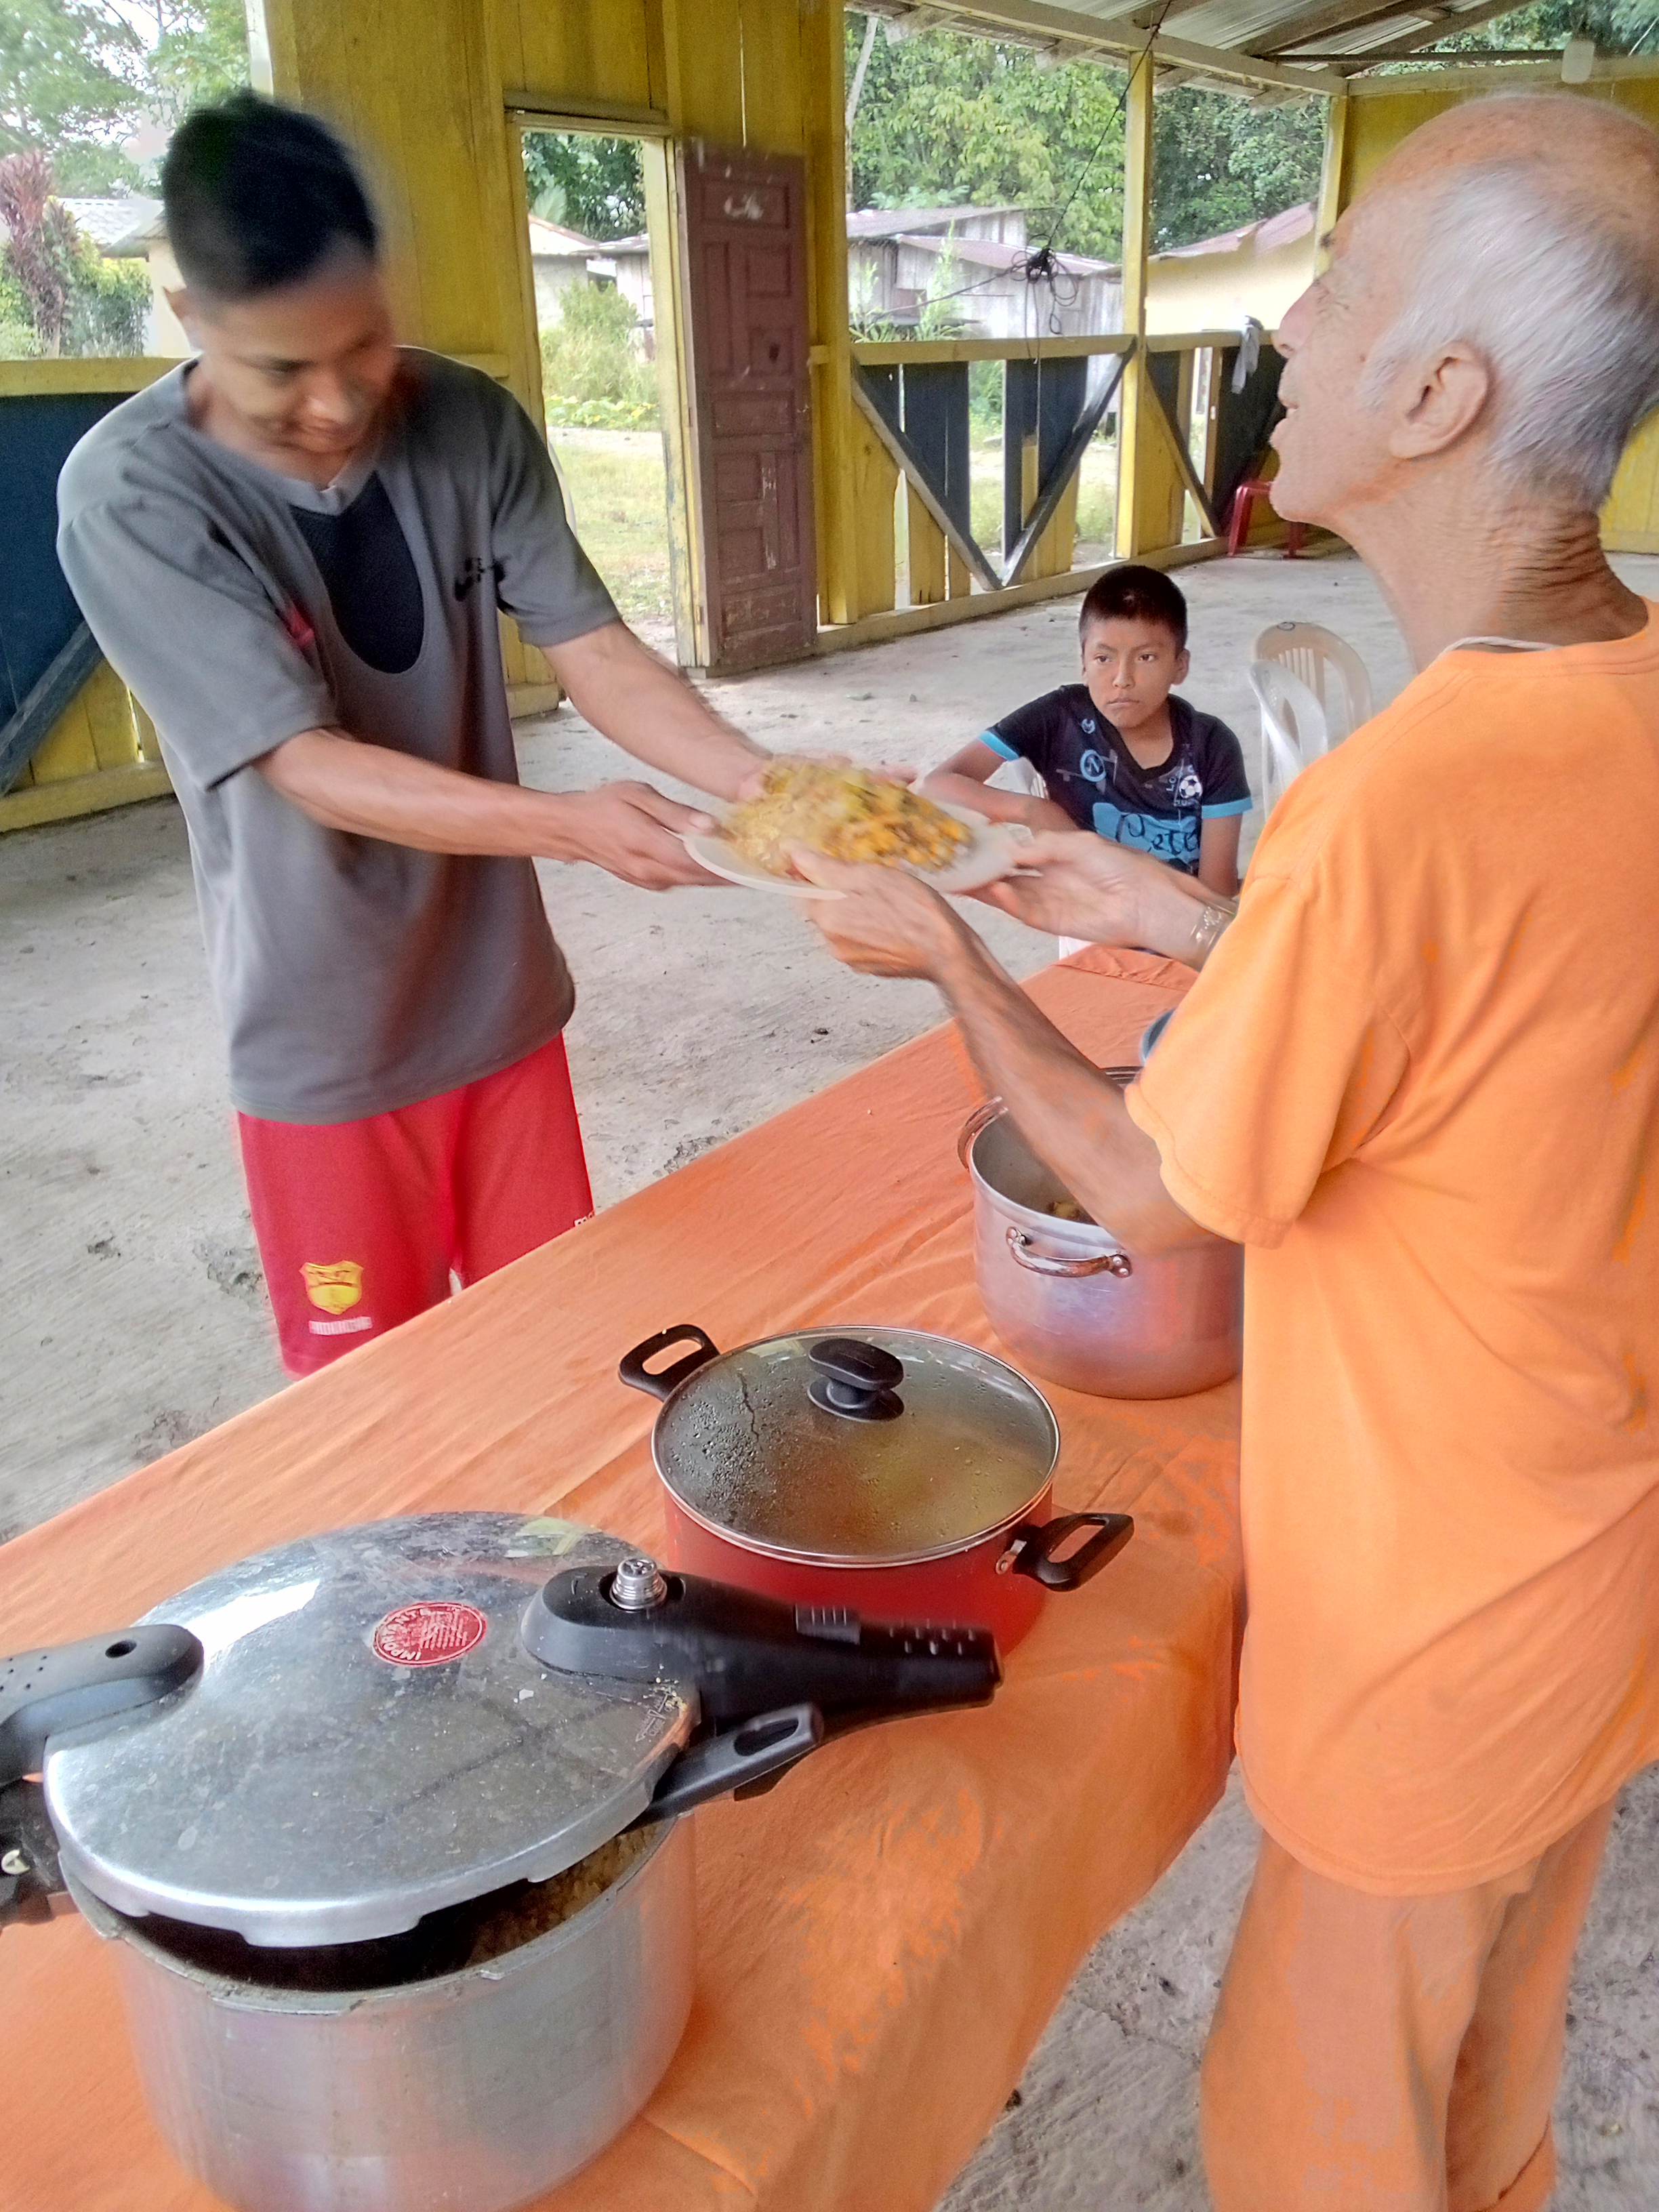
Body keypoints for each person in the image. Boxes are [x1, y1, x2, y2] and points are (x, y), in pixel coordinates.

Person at [792, 90, 1659, 2212]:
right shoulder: (1620, 698)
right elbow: (1499, 1026)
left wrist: (947, 951)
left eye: (1340, 286)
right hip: (1595, 1578)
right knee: (1485, 2104)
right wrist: (1184, 917)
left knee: (1317, 2141)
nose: (1287, 322)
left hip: (1428, 1628)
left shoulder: (1399, 801)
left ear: (1440, 394)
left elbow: (1148, 1189)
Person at [57, 92, 766, 1377]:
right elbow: (306, 765)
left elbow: (599, 654)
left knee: (560, 1357)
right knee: (378, 1402)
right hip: (326, 1039)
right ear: (190, 315)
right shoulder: (132, 495)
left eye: (365, 343)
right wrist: (570, 826)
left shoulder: (470, 421)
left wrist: (771, 790)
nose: (337, 403)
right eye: (283, 370)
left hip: (502, 1009)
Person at [918, 563, 1250, 897]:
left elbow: (1216, 892)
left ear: (1180, 665)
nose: (1122, 679)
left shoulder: (1211, 745)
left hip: (1179, 912)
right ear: (1084, 664)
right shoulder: (1059, 716)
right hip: (1086, 907)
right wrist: (1033, 810)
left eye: (1146, 657)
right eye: (1104, 659)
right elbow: (937, 785)